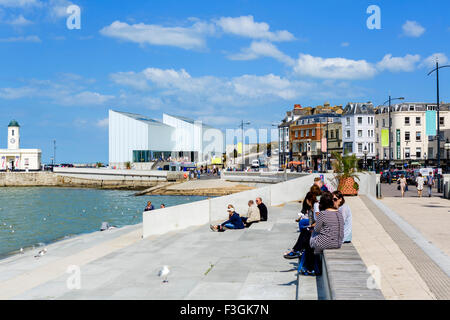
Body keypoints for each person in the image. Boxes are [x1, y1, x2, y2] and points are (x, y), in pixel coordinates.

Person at [284, 192, 318, 259]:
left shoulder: (316, 206)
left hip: (318, 229)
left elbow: (319, 220)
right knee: (304, 230)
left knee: (305, 230)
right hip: (317, 227)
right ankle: (296, 250)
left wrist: (311, 226)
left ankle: (296, 250)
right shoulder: (313, 207)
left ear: (308, 200)